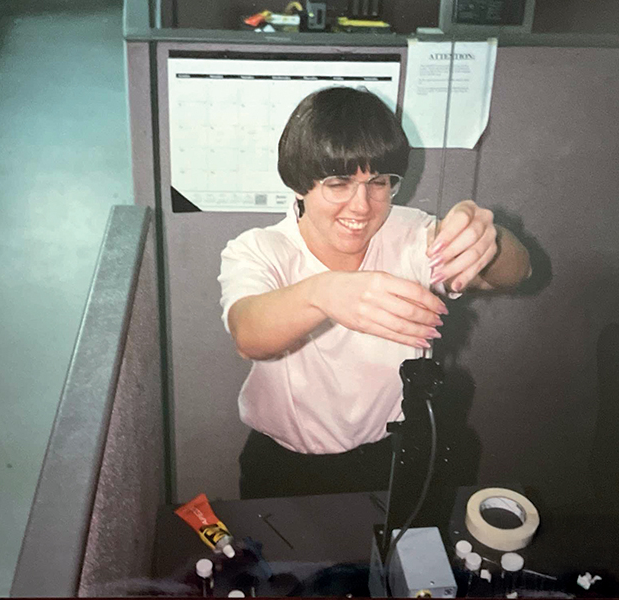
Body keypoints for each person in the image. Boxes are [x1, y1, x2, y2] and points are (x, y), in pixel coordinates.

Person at [218, 87, 531, 499]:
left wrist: (486, 237)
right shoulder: (260, 249)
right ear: (298, 184)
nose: (362, 206)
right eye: (338, 183)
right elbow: (248, 332)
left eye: (379, 182)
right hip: (287, 465)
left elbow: (516, 273)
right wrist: (323, 292)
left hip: (396, 454)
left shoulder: (410, 233)